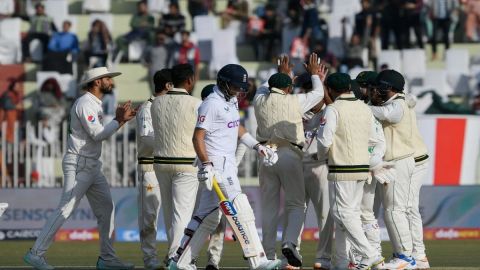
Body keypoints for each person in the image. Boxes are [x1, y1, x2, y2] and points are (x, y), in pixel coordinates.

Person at [168, 64, 280, 270]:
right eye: (235, 87)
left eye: (241, 87)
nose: (239, 91)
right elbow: (197, 137)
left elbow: (236, 127)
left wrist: (258, 147)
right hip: (217, 165)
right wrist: (207, 164)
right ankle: (258, 261)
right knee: (241, 206)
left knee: (207, 217)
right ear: (223, 83)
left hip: (227, 164)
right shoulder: (211, 104)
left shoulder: (231, 101)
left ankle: (179, 262)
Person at [23, 67, 136, 270]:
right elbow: (98, 135)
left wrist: (120, 122)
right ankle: (35, 254)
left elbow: (98, 134)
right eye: (108, 78)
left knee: (107, 209)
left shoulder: (94, 103)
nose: (111, 81)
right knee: (65, 209)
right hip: (78, 164)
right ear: (97, 82)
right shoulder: (85, 103)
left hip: (92, 166)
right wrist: (118, 120)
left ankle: (107, 259)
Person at [252, 53, 326, 268]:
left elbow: (265, 87)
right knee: (296, 203)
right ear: (287, 89)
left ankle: (266, 255)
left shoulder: (258, 100)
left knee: (269, 207)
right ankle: (290, 243)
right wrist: (314, 74)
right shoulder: (295, 100)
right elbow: (319, 92)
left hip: (266, 154)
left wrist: (281, 74)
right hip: (289, 155)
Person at [316, 72, 384, 270]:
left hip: (342, 168)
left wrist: (321, 156)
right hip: (362, 169)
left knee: (341, 213)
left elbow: (324, 140)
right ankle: (341, 262)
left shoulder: (333, 109)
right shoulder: (365, 108)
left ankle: (370, 254)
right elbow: (373, 138)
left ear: (330, 89)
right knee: (350, 215)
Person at [151, 64, 201, 267]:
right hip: (186, 163)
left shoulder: (156, 103)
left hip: (161, 163)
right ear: (189, 80)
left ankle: (172, 254)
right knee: (182, 214)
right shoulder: (196, 103)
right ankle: (176, 257)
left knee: (170, 214)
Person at [369, 69, 417, 269]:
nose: (376, 91)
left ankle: (405, 257)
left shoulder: (397, 104)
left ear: (388, 87)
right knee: (391, 211)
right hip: (394, 162)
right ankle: (402, 254)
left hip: (399, 162)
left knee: (394, 210)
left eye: (380, 87)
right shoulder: (395, 101)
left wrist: (359, 108)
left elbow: (389, 115)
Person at [136, 69, 173, 270]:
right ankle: (150, 261)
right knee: (149, 218)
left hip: (167, 168)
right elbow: (146, 139)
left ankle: (172, 257)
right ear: (167, 86)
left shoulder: (169, 108)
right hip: (149, 168)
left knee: (172, 215)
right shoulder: (146, 108)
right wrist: (169, 142)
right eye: (173, 85)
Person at [299, 76, 334, 270]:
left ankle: (324, 258)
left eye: (313, 94)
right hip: (297, 167)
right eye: (307, 94)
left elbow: (332, 107)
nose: (309, 99)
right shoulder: (298, 110)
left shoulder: (329, 111)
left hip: (320, 165)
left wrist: (320, 85)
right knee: (296, 212)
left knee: (324, 215)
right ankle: (292, 256)